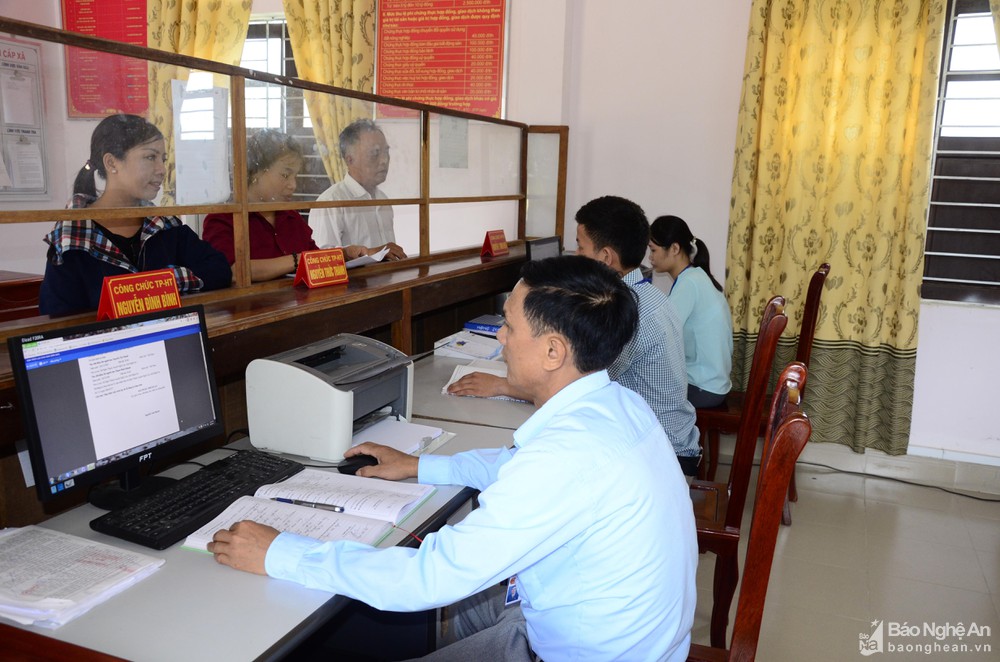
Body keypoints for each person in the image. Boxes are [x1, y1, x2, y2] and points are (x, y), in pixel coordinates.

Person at [209, 255, 698, 662]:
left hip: (578, 650)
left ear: (553, 351)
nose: (500, 338)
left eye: (509, 326)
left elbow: (429, 578)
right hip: (615, 634)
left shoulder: (567, 457)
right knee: (461, 608)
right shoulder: (617, 404)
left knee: (434, 597)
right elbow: (512, 466)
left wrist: (281, 552)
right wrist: (419, 465)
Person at [449, 196, 702, 476]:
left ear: (605, 257)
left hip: (663, 455)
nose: (575, 254)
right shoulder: (648, 295)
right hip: (668, 438)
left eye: (581, 247)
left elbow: (573, 385)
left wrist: (502, 386)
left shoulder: (626, 312)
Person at [38, 114, 231, 316]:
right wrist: (153, 288)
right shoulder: (72, 239)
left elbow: (219, 270)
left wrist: (162, 282)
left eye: (163, 159)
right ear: (112, 163)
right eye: (150, 157)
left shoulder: (164, 224)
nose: (162, 170)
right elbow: (56, 317)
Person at [202, 129, 366, 282]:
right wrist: (297, 260)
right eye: (285, 175)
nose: (293, 185)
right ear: (257, 172)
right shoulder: (224, 218)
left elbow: (314, 257)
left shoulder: (290, 217)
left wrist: (344, 254)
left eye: (295, 176)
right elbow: (232, 270)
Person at [649, 215, 733, 407]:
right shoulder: (696, 277)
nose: (650, 257)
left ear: (674, 248)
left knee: (638, 388)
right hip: (714, 383)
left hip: (703, 388)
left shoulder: (689, 283)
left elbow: (660, 335)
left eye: (653, 250)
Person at [309, 118, 406, 260]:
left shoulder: (383, 200)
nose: (384, 160)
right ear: (350, 160)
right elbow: (319, 260)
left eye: (386, 152)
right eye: (374, 154)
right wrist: (370, 253)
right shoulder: (330, 202)